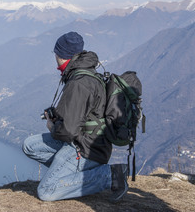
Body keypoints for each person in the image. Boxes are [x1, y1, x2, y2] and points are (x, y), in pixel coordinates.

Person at [22, 31, 128, 202]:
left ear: (61, 55)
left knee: (46, 191)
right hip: (87, 141)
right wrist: (56, 117)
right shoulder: (83, 74)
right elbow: (79, 116)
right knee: (29, 146)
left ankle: (110, 175)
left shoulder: (79, 83)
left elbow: (68, 131)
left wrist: (52, 126)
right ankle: (78, 173)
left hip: (85, 148)